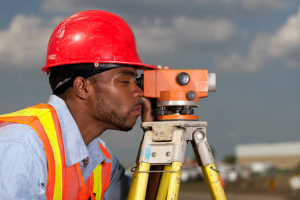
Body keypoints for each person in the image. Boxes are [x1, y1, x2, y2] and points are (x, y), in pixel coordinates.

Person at [0, 10, 166, 200]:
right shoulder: (23, 147)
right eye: (125, 81)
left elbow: (142, 197)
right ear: (82, 87)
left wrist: (158, 134)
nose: (139, 92)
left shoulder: (99, 157)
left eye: (136, 81)